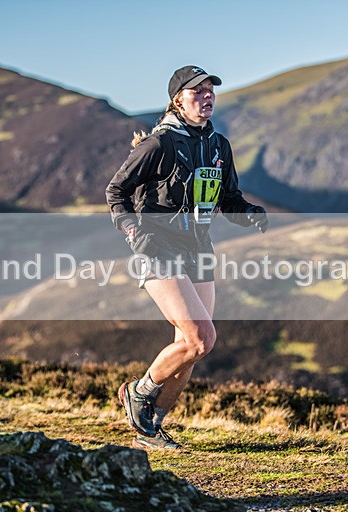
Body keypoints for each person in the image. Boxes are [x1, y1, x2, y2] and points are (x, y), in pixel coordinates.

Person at [105, 65, 268, 450]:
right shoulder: (158, 145)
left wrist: (248, 214)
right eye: (197, 91)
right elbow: (116, 192)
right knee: (199, 339)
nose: (206, 96)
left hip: (199, 249)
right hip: (158, 247)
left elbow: (228, 198)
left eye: (210, 90)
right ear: (178, 99)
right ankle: (138, 394)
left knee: (194, 349)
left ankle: (151, 427)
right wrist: (133, 231)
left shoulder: (218, 146)